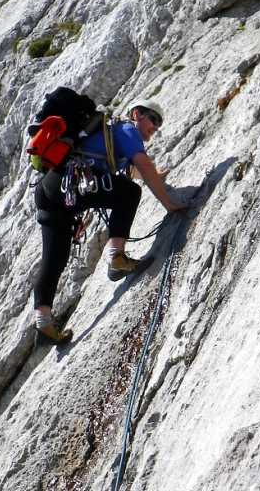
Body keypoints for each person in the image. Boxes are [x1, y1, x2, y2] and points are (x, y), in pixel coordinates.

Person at [33, 98, 187, 346]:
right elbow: (142, 165)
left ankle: (43, 326)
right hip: (72, 181)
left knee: (55, 257)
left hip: (50, 189)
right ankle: (117, 257)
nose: (155, 127)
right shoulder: (126, 128)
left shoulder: (111, 136)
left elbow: (138, 169)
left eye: (159, 124)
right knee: (129, 193)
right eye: (153, 119)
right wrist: (169, 204)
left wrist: (157, 175)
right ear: (137, 114)